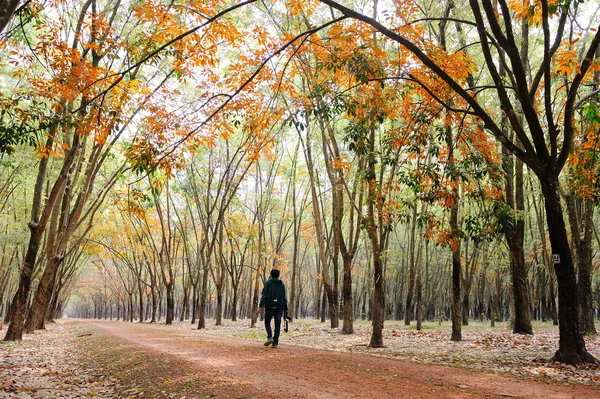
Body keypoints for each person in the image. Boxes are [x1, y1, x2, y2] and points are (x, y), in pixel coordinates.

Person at [258, 268, 287, 348]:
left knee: (267, 322)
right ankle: (275, 343)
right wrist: (286, 308)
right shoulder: (282, 284)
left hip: (270, 306)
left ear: (271, 274)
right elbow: (284, 297)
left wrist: (261, 306)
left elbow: (264, 295)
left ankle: (270, 337)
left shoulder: (268, 283)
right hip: (279, 307)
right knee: (277, 324)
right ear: (278, 275)